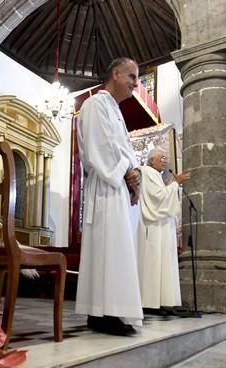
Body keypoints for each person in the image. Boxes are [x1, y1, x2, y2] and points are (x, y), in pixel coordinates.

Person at [75, 57, 143, 336]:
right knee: (108, 251)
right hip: (105, 187)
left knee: (116, 252)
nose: (135, 84)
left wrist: (135, 171)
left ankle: (109, 310)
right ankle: (103, 312)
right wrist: (127, 171)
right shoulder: (95, 105)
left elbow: (123, 148)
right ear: (115, 73)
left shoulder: (115, 110)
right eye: (132, 76)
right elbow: (98, 148)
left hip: (117, 188)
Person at [136, 147, 190, 315]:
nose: (165, 161)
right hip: (154, 227)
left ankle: (161, 302)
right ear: (151, 160)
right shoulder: (147, 172)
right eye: (162, 157)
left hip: (162, 226)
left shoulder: (155, 175)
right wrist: (175, 183)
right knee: (154, 262)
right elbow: (158, 198)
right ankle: (151, 303)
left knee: (162, 263)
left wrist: (171, 185)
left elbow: (161, 195)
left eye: (166, 158)